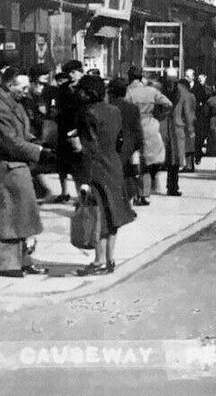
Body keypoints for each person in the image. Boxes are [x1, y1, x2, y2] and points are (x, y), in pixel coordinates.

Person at [0, 72, 54, 278]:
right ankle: (6, 265)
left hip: (17, 166)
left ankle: (23, 261)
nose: (27, 90)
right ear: (10, 85)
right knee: (8, 216)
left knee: (24, 215)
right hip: (5, 167)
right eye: (23, 86)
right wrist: (38, 152)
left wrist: (39, 143)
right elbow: (9, 142)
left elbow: (21, 134)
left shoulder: (14, 104)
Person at [72, 75, 136, 275]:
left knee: (97, 213)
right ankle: (109, 260)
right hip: (113, 164)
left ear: (88, 92)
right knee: (113, 214)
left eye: (81, 90)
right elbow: (120, 140)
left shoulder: (87, 113)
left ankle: (98, 261)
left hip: (96, 168)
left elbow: (89, 148)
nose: (78, 93)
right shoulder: (114, 111)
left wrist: (84, 181)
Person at [125, 67, 171, 197]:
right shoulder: (151, 91)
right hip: (150, 125)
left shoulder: (127, 92)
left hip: (132, 127)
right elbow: (168, 104)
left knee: (133, 160)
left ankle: (136, 191)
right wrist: (160, 116)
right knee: (148, 161)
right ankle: (147, 190)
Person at [107, 78, 146, 207]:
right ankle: (127, 205)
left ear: (110, 92)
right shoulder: (132, 108)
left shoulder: (108, 108)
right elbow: (137, 130)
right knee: (128, 175)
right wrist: (139, 147)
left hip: (111, 145)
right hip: (129, 146)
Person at [53, 61, 85, 202]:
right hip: (63, 129)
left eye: (73, 72)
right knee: (62, 165)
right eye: (69, 73)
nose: (71, 76)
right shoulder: (63, 89)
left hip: (80, 130)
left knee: (79, 166)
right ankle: (64, 192)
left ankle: (80, 196)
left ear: (80, 71)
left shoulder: (86, 87)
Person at [171, 73, 197, 184]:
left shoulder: (175, 92)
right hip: (184, 123)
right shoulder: (188, 95)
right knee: (184, 145)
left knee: (179, 145)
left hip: (174, 122)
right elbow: (189, 112)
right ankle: (184, 164)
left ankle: (182, 164)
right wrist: (191, 128)